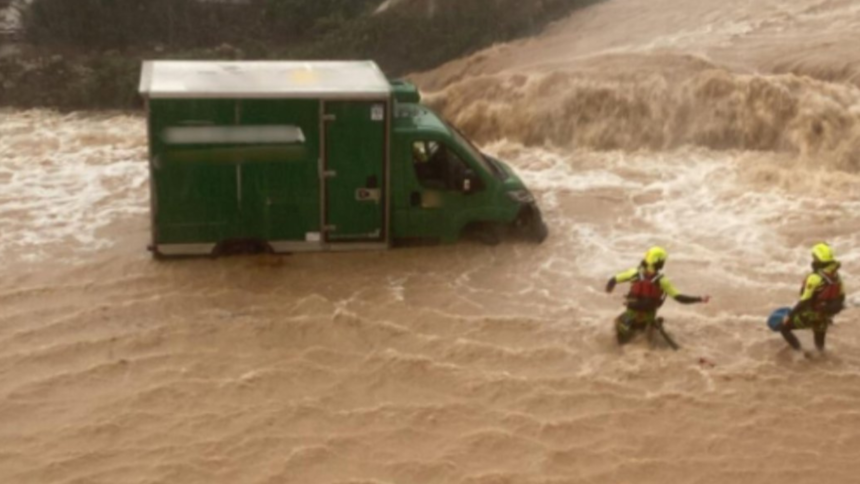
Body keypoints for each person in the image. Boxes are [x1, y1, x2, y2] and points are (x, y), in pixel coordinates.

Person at [605, 247, 710, 345]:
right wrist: (700, 299)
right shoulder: (662, 280)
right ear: (658, 262)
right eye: (662, 261)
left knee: (621, 344)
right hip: (648, 319)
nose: (663, 263)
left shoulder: (633, 273)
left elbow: (612, 280)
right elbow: (680, 298)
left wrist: (608, 291)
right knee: (644, 345)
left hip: (629, 317)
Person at [780, 243, 846, 353]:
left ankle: (800, 352)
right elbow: (841, 296)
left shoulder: (814, 278)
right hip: (824, 316)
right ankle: (821, 363)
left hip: (811, 314)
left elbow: (805, 301)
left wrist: (789, 315)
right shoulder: (836, 276)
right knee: (820, 347)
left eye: (814, 258)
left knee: (783, 327)